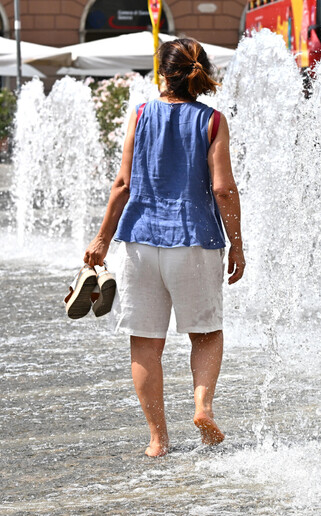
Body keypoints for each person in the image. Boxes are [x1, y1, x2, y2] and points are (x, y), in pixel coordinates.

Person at [83, 38, 245, 458]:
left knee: (145, 342)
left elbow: (122, 184)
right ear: (201, 72)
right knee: (205, 334)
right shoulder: (212, 121)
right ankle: (202, 407)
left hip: (139, 242)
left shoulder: (140, 115)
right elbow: (223, 189)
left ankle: (158, 439)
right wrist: (237, 245)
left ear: (163, 74)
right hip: (194, 242)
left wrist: (101, 240)